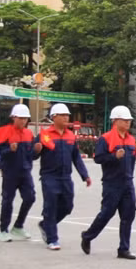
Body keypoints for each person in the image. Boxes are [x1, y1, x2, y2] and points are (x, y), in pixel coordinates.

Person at [81, 106, 136, 259]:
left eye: (129, 120)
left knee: (128, 215)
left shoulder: (131, 140)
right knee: (107, 213)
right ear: (115, 121)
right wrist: (114, 157)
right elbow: (98, 158)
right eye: (125, 120)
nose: (128, 123)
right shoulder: (105, 138)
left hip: (127, 182)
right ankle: (87, 236)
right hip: (112, 183)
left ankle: (124, 248)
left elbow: (132, 160)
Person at [36, 104, 92, 250]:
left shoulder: (70, 136)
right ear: (54, 117)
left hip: (66, 177)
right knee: (51, 206)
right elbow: (32, 155)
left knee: (67, 206)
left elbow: (76, 158)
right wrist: (35, 150)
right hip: (49, 177)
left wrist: (85, 175)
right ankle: (52, 239)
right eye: (62, 115)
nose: (66, 117)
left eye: (67, 115)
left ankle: (46, 225)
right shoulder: (45, 135)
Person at [0, 104, 37, 242]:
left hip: (25, 172)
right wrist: (9, 150)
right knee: (7, 201)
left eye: (25, 118)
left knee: (30, 197)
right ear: (13, 117)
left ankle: (18, 226)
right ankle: (3, 229)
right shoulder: (4, 132)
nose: (23, 121)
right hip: (10, 172)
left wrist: (37, 151)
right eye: (20, 118)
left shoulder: (28, 134)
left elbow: (31, 155)